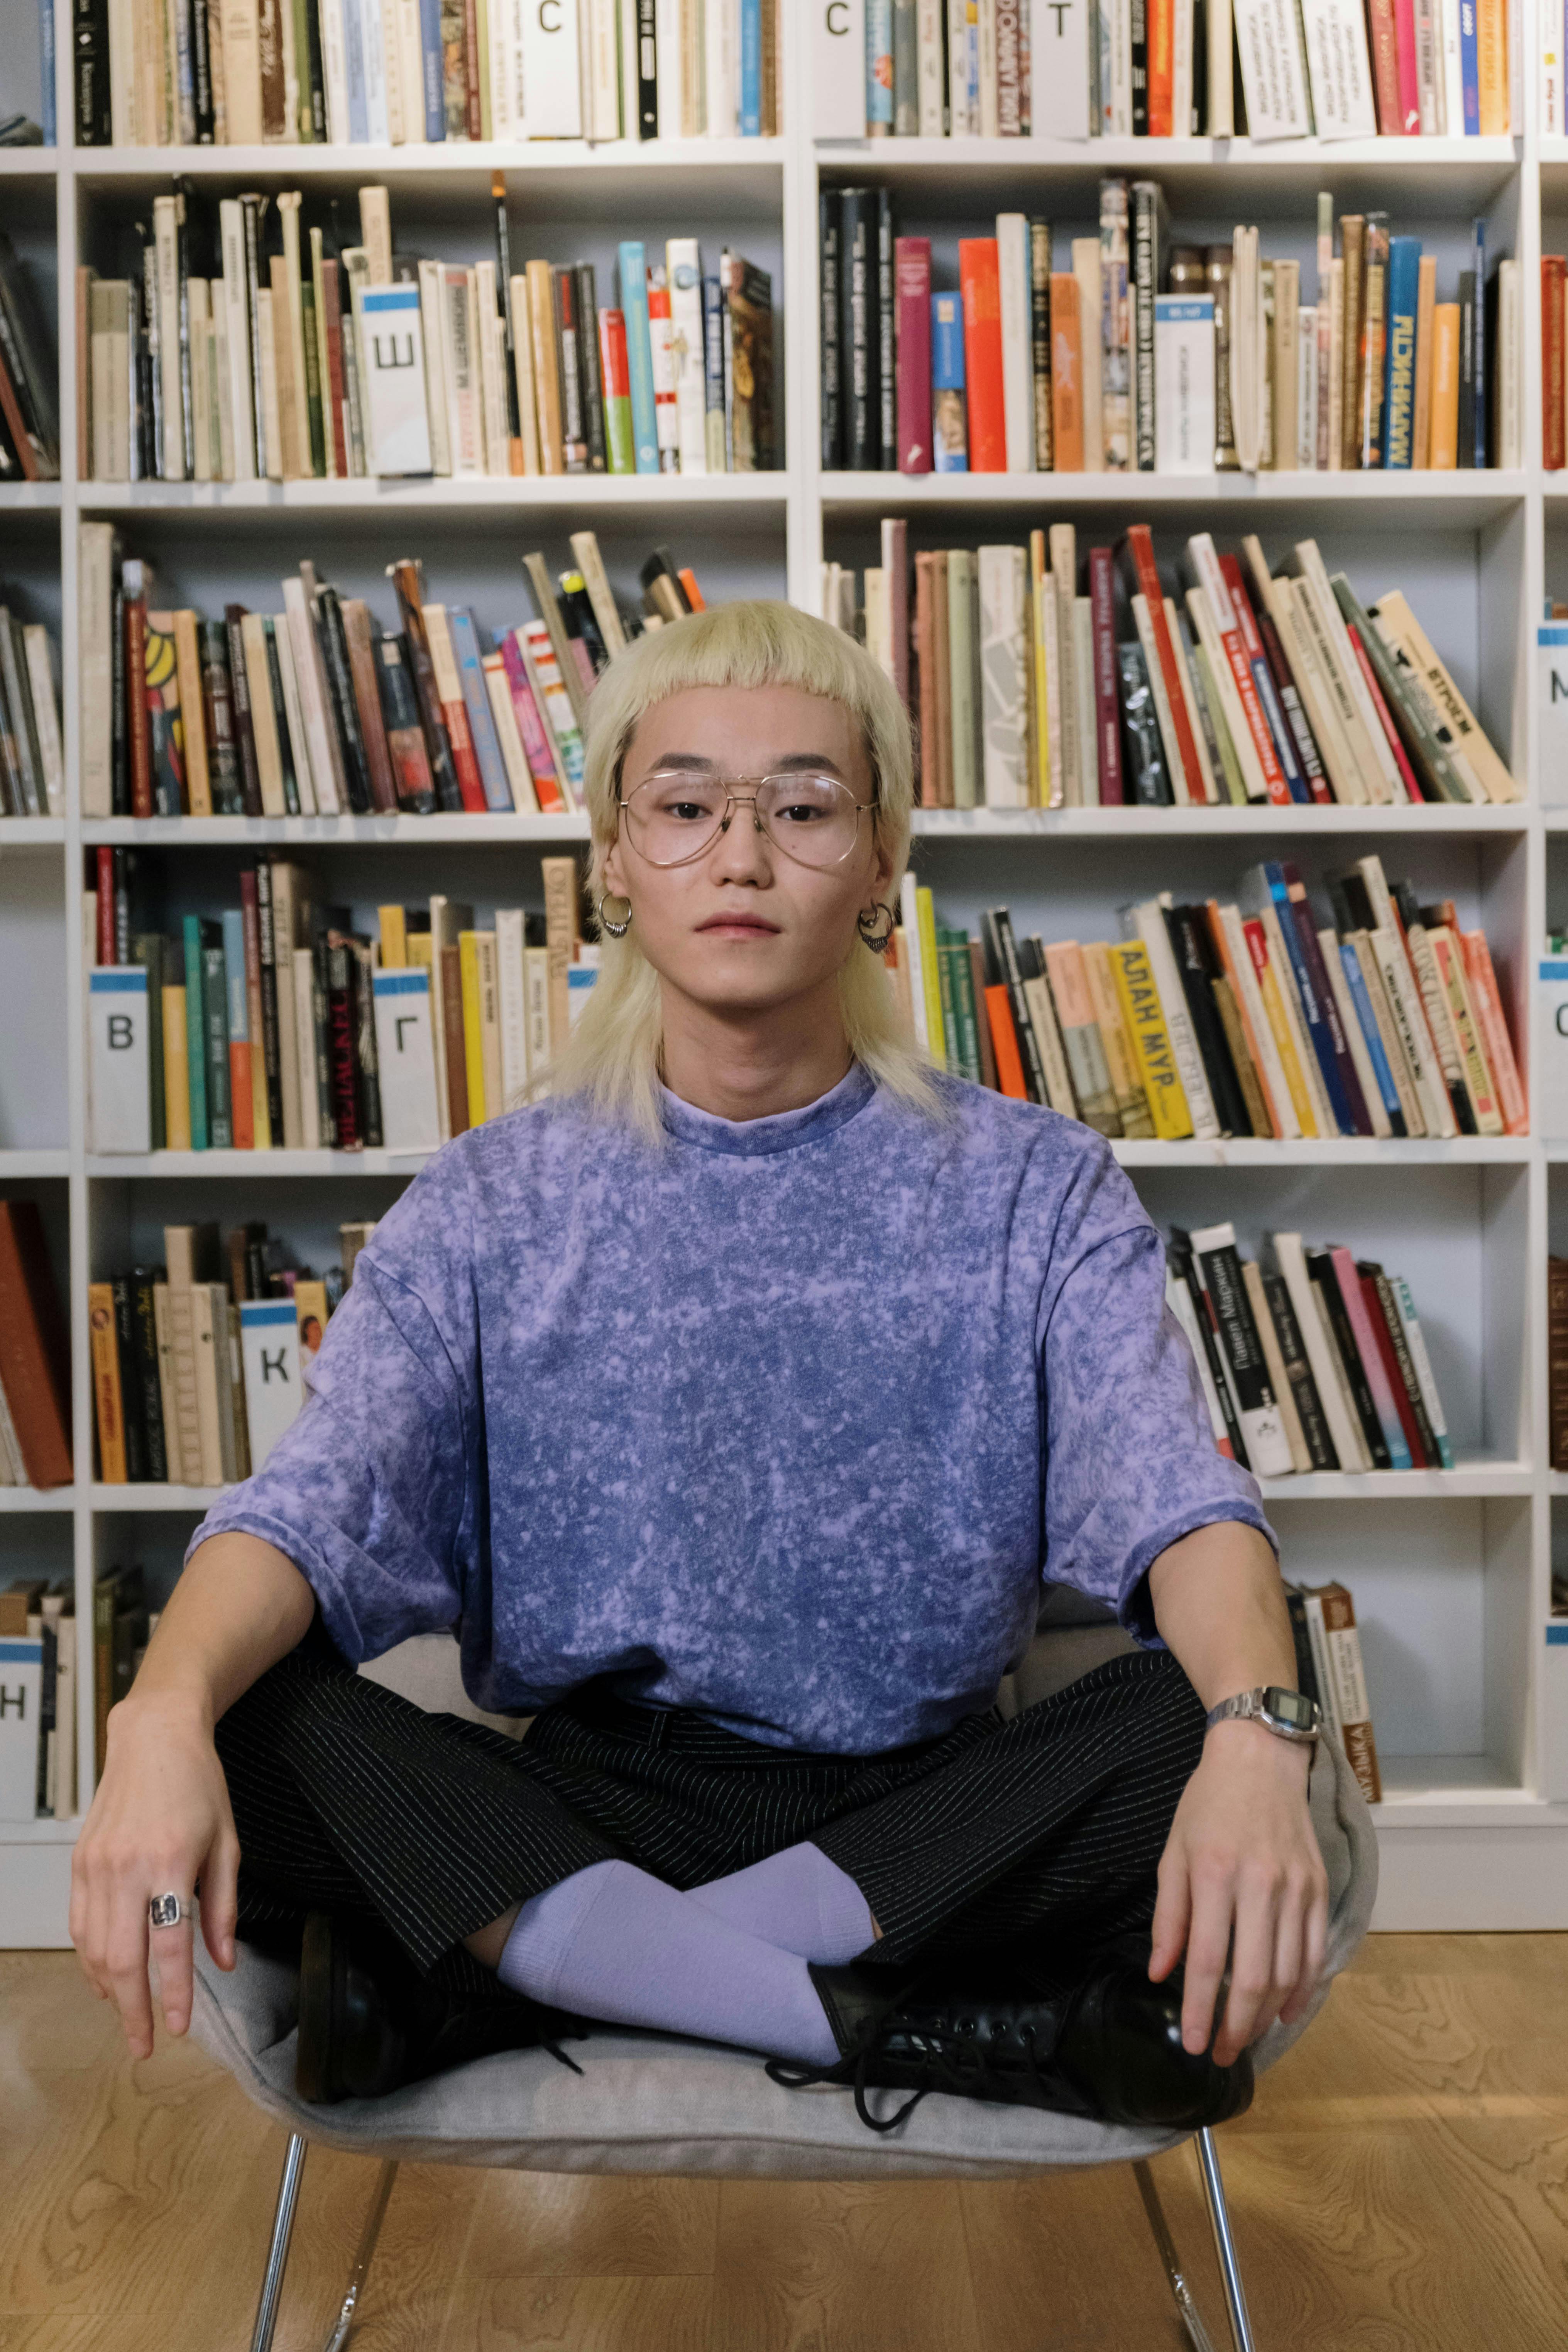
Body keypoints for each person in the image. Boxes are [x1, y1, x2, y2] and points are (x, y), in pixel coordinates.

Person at [71, 601, 1330, 2134]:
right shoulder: (492, 1200)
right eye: (681, 808)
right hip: (589, 1799)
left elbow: (1175, 1503)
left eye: (802, 806)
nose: (740, 856)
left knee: (1185, 1718)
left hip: (919, 1813)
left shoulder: (1032, 1186)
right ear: (612, 857)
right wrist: (150, 1720)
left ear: (880, 862)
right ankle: (891, 2021)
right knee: (243, 1712)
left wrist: (1256, 1736)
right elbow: (311, 1511)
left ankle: (521, 1975)